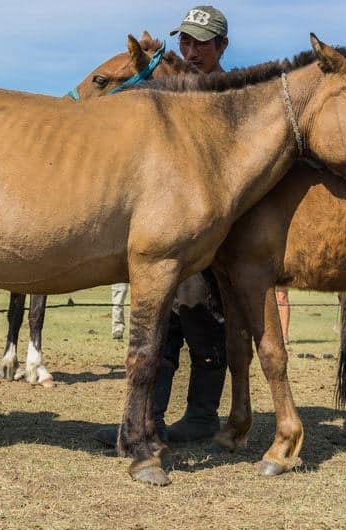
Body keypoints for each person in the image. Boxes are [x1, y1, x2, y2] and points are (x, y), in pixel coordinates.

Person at [95, 5, 230, 446]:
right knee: (162, 322)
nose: (191, 51)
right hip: (171, 223)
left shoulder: (230, 94)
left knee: (199, 317)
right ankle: (145, 418)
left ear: (222, 47)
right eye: (185, 41)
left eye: (201, 43)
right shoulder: (177, 89)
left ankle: (203, 414)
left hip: (212, 230)